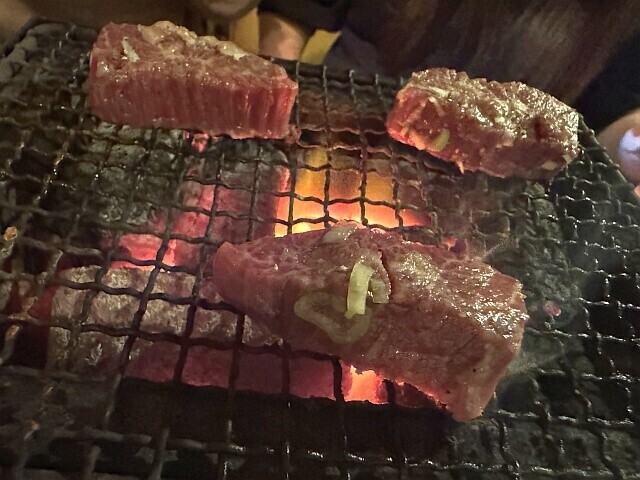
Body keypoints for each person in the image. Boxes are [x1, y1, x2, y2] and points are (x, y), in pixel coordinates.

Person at [257, 0, 640, 188]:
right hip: (332, 127)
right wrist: (276, 94)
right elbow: (296, 10)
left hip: (482, 187)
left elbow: (608, 128)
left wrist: (632, 144)